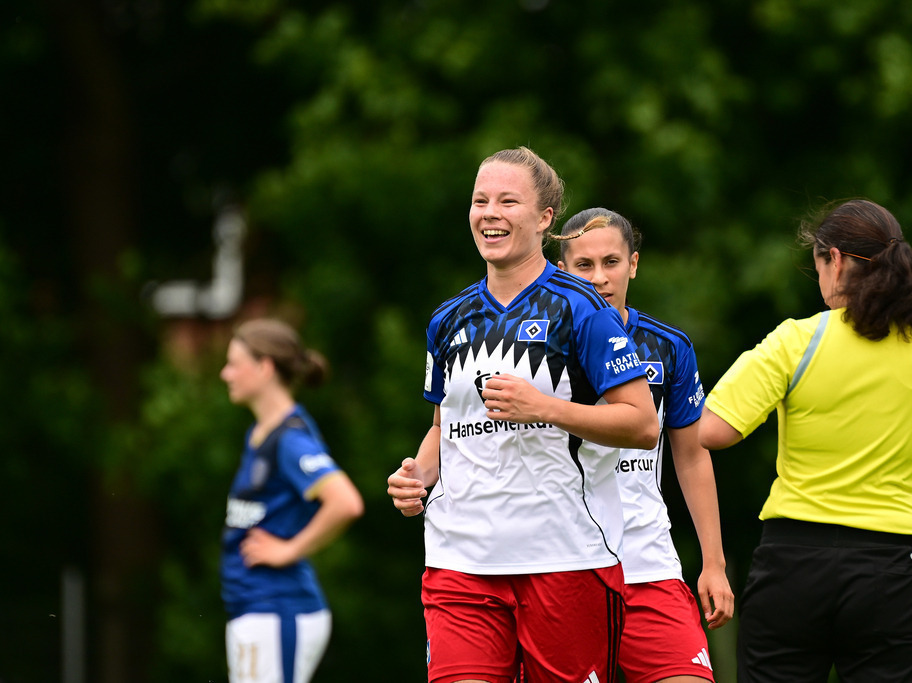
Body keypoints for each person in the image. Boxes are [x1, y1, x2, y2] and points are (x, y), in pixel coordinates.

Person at [387, 147, 660, 683]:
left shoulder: (584, 308)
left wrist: (544, 408)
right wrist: (417, 475)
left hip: (565, 557)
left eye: (508, 201)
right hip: (460, 560)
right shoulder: (448, 319)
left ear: (543, 218)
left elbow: (642, 424)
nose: (490, 213)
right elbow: (445, 426)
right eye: (480, 201)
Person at [698, 199, 912, 682]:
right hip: (889, 571)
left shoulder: (796, 340)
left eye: (818, 268)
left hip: (792, 567)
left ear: (835, 259)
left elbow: (713, 431)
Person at [552, 207, 734, 683]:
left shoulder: (668, 346)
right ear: (560, 270)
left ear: (633, 264)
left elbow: (692, 456)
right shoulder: (535, 346)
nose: (599, 278)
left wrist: (713, 563)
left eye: (611, 262)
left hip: (647, 565)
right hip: (560, 568)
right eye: (583, 265)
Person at [219, 318, 365, 683]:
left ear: (265, 368)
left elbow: (345, 502)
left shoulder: (290, 440)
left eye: (234, 364)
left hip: (279, 607)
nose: (225, 374)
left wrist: (289, 550)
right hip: (255, 607)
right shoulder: (259, 433)